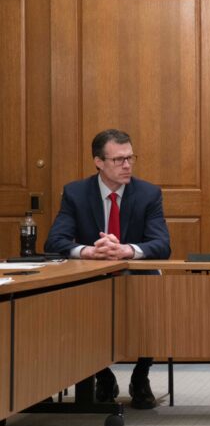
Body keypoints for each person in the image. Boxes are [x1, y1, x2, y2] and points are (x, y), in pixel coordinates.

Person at [45, 129, 171, 409]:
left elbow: (162, 244)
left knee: (151, 290)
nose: (127, 165)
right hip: (92, 277)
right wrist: (90, 251)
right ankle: (102, 375)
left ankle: (141, 376)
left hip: (135, 276)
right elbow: (54, 242)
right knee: (73, 300)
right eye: (118, 160)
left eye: (130, 158)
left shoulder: (148, 194)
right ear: (98, 162)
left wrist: (126, 250)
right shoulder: (76, 193)